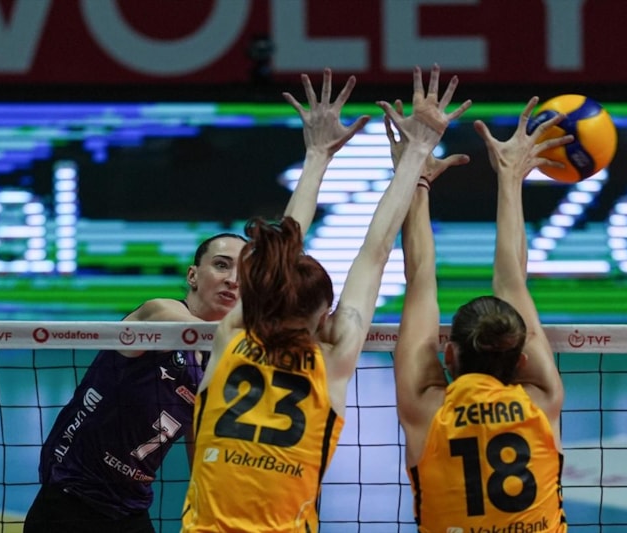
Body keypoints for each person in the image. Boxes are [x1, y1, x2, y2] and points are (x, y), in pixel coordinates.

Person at [23, 69, 370, 533]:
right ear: (193, 275)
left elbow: (202, 436)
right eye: (220, 266)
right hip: (70, 496)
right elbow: (184, 323)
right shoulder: (160, 316)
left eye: (243, 272)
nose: (232, 279)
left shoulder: (220, 356)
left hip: (129, 506)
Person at [180, 64, 472, 533]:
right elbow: (375, 252)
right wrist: (418, 150)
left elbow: (286, 242)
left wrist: (316, 154)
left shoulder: (233, 335)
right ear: (322, 317)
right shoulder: (331, 361)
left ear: (263, 293)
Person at [392, 97, 573, 532]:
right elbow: (512, 281)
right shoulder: (541, 401)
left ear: (449, 354)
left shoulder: (427, 409)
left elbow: (419, 280)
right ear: (522, 359)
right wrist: (511, 177)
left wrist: (416, 179)